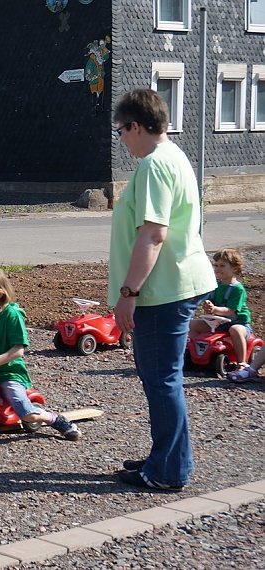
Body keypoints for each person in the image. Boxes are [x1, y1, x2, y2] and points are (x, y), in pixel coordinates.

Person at [109, 89, 215, 491]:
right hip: (175, 283)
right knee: (162, 377)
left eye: (121, 130)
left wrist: (128, 293)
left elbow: (153, 235)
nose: (121, 139)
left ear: (136, 126)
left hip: (162, 290)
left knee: (161, 379)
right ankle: (167, 458)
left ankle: (168, 470)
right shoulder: (174, 156)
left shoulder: (154, 165)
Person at [0, 268, 81, 441]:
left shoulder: (11, 316)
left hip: (9, 374)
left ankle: (54, 419)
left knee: (27, 414)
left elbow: (18, 349)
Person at [189, 248, 253, 369]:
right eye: (216, 265)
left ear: (234, 268)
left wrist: (214, 309)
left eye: (222, 266)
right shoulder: (215, 286)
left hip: (239, 323)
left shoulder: (237, 289)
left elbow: (230, 311)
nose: (217, 269)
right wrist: (207, 305)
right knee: (192, 325)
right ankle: (200, 353)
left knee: (235, 330)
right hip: (219, 322)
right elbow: (210, 304)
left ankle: (242, 363)